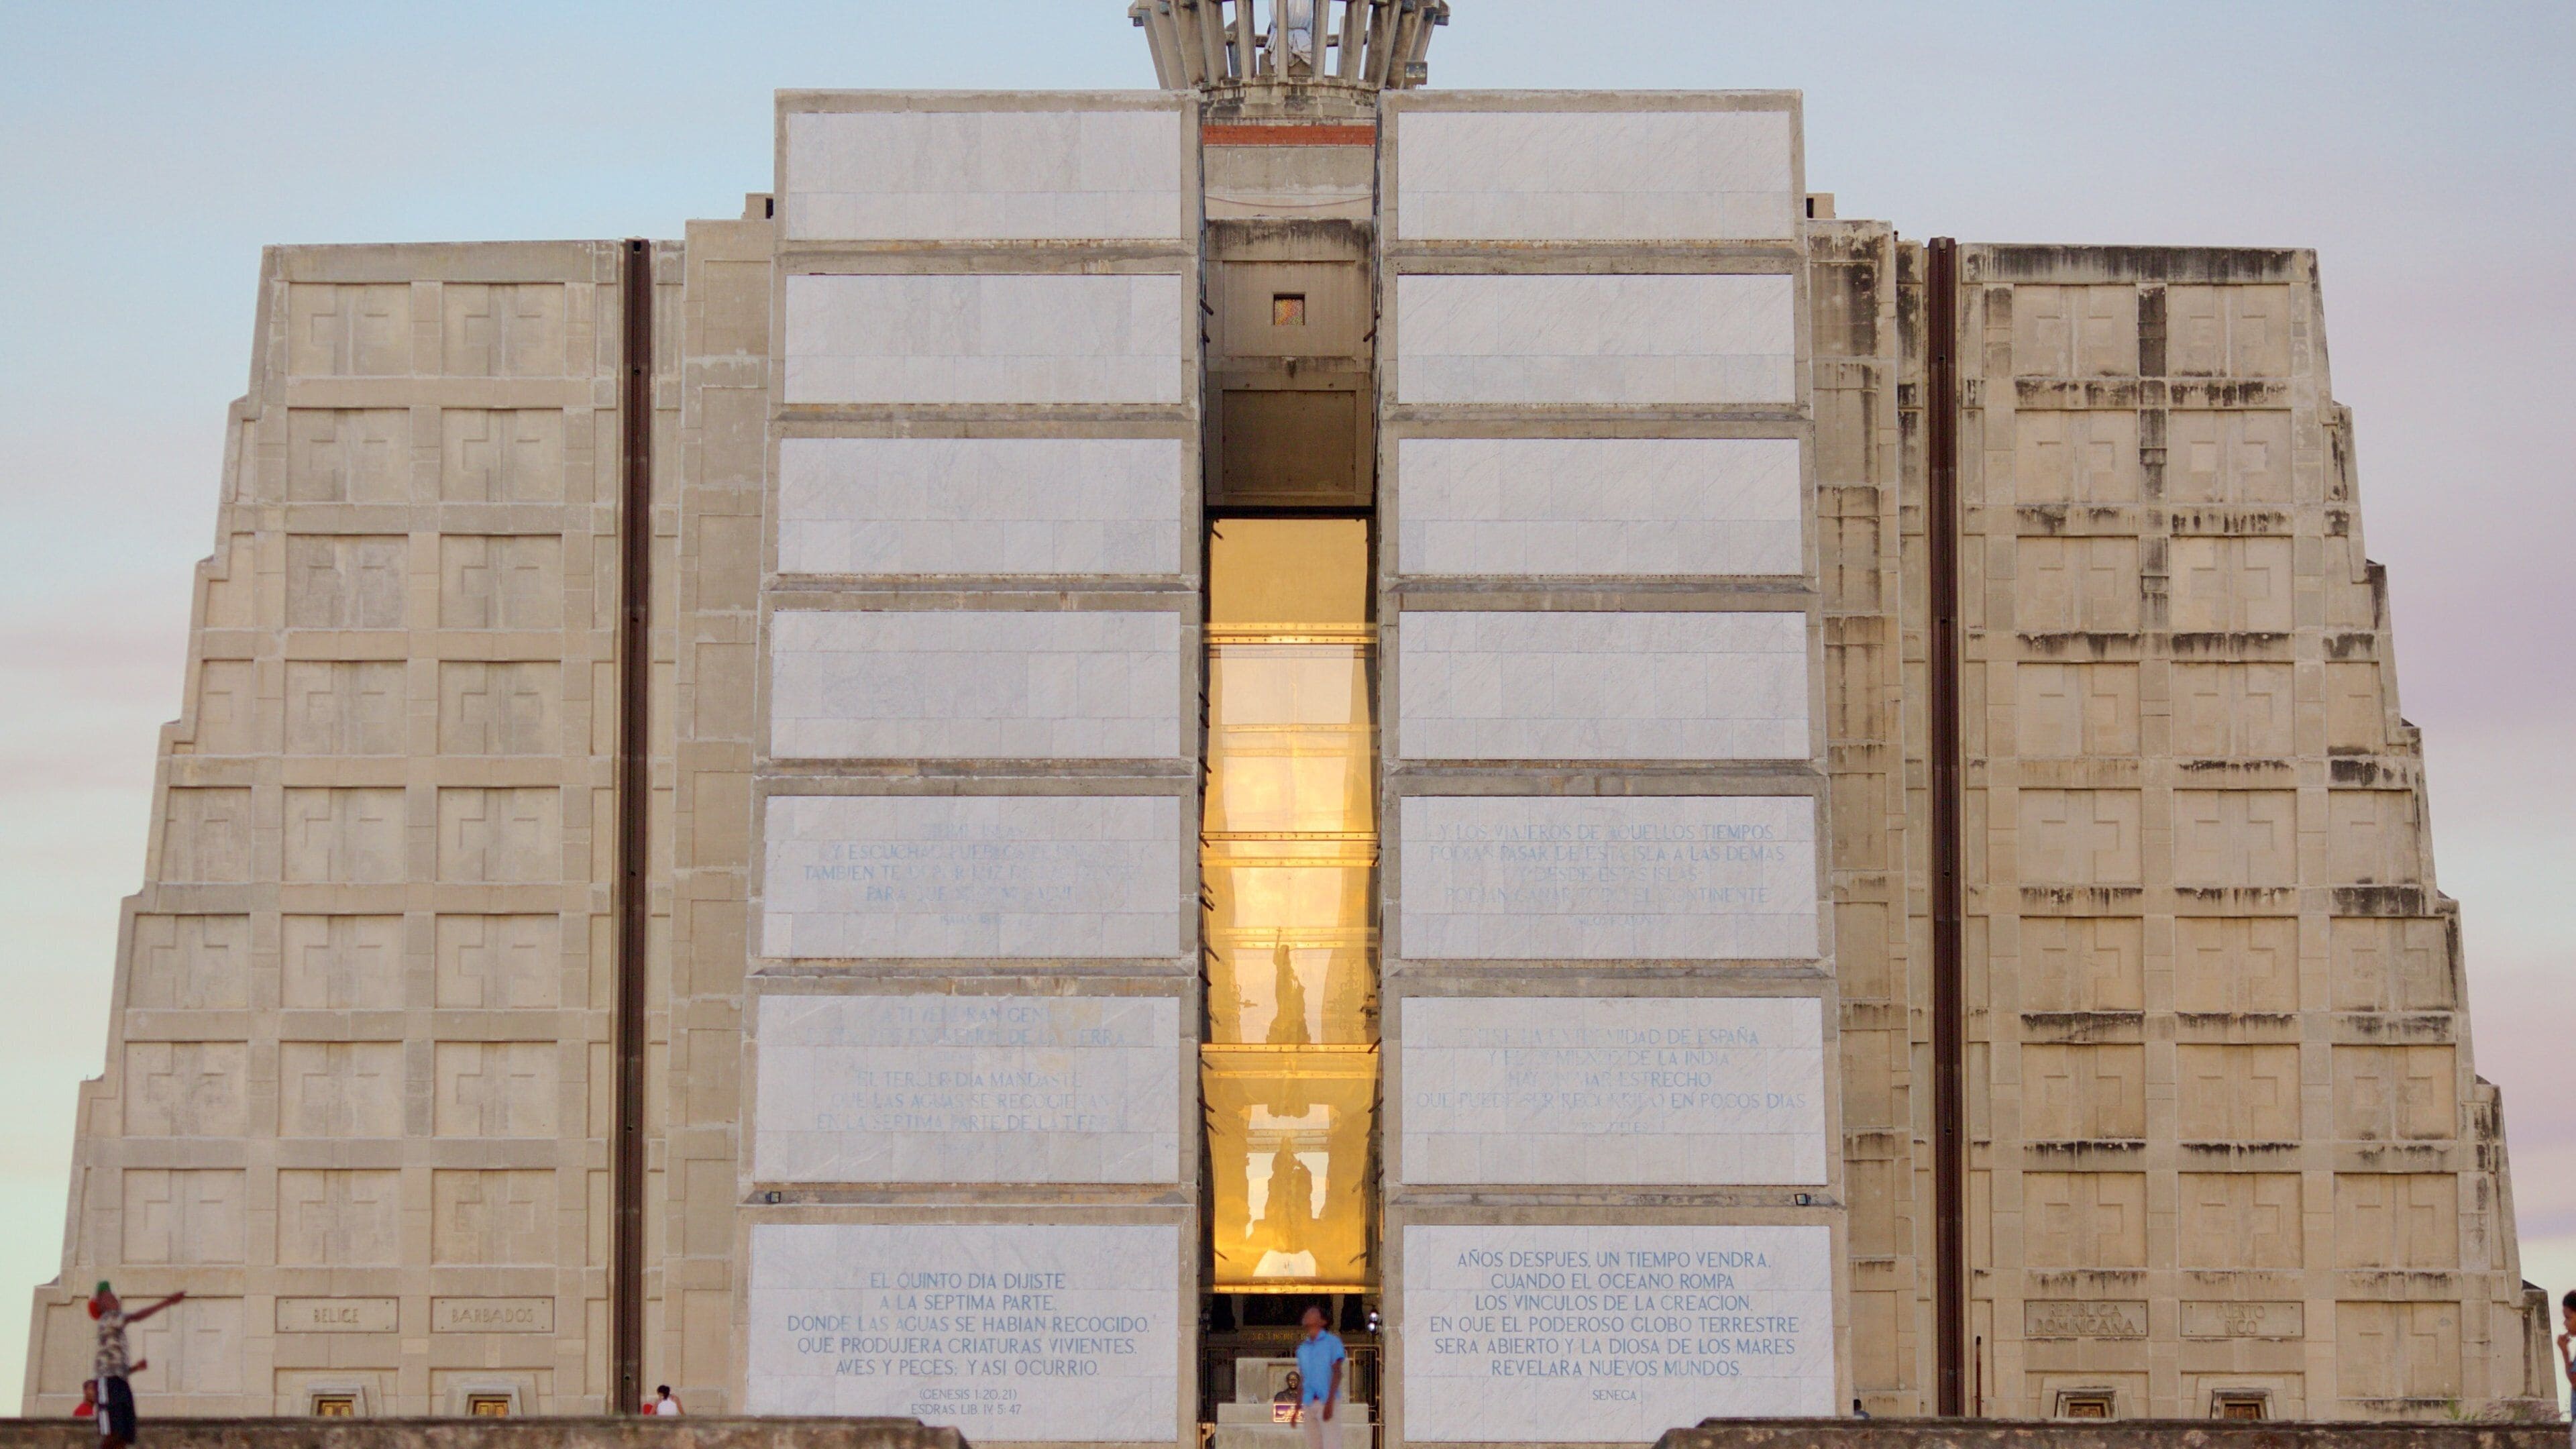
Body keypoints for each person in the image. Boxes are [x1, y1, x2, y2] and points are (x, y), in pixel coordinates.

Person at [89, 1282, 183, 1449]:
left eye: (115, 1298)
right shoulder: (108, 1318)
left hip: (120, 1382)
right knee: (113, 1433)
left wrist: (135, 1368)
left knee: (123, 1437)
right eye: (110, 1299)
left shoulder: (116, 1329)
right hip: (108, 1383)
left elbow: (117, 1369)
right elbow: (135, 1317)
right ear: (101, 1305)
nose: (115, 1301)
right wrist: (167, 1302)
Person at [1287, 1303, 1346, 1449]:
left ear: (1322, 1321)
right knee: (1313, 1445)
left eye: (1312, 1313)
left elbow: (1337, 1373)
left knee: (1331, 1444)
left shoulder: (1332, 1343)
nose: (1308, 1315)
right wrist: (1296, 1408)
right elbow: (1303, 1379)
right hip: (1309, 1402)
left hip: (1327, 1400)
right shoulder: (1303, 1349)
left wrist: (1330, 1403)